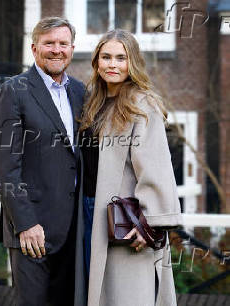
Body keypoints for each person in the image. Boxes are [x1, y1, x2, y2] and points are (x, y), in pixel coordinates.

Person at [74, 29, 183, 306]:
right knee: (95, 293)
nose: (112, 64)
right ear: (97, 61)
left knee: (126, 295)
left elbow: (156, 167)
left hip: (125, 220)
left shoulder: (141, 105)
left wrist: (150, 223)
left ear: (132, 62)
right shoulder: (92, 104)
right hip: (88, 214)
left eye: (121, 58)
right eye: (106, 57)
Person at [0, 17, 85, 305]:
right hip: (32, 231)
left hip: (73, 230)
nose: (56, 50)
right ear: (34, 48)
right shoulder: (13, 91)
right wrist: (25, 223)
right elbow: (5, 167)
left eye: (63, 43)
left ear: (72, 48)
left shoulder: (79, 91)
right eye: (49, 43)